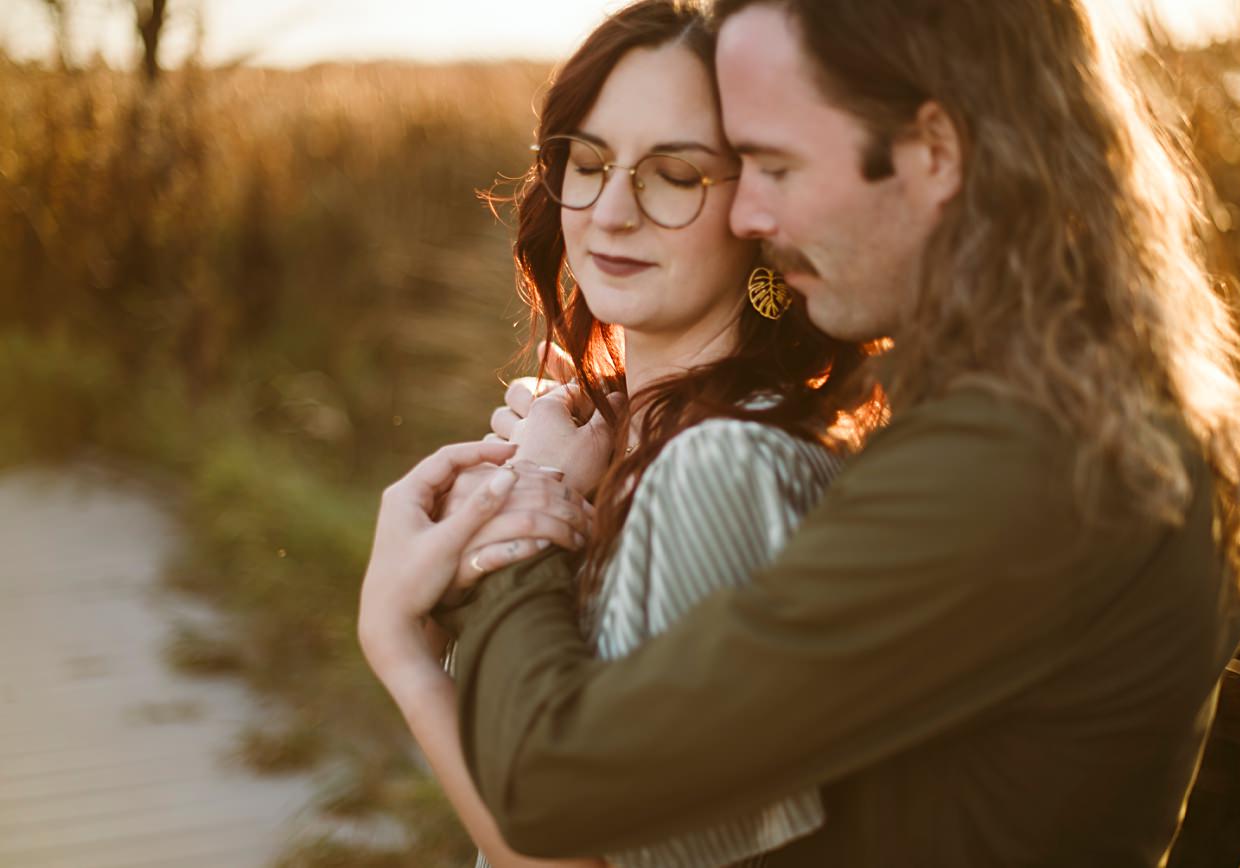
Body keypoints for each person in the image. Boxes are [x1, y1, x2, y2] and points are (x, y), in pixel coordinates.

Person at [407, 0, 1240, 865]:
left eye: (775, 166)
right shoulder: (1083, 412)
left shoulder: (1018, 462)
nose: (750, 214)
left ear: (936, 151)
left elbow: (553, 788)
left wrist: (526, 513)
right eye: (585, 162)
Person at [357, 2, 878, 866]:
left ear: (757, 205)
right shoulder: (617, 447)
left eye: (674, 173)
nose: (611, 211)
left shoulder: (727, 466)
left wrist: (398, 648)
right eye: (589, 162)